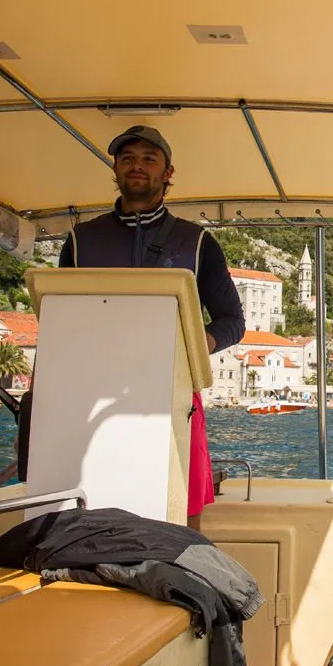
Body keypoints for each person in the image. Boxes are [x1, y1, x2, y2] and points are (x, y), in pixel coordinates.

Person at [58, 124, 245, 529]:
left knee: (181, 510)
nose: (136, 166)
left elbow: (233, 322)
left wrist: (189, 350)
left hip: (174, 398)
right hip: (91, 397)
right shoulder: (79, 241)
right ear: (115, 169)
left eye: (148, 158)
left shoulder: (197, 243)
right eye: (127, 158)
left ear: (168, 173)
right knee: (92, 503)